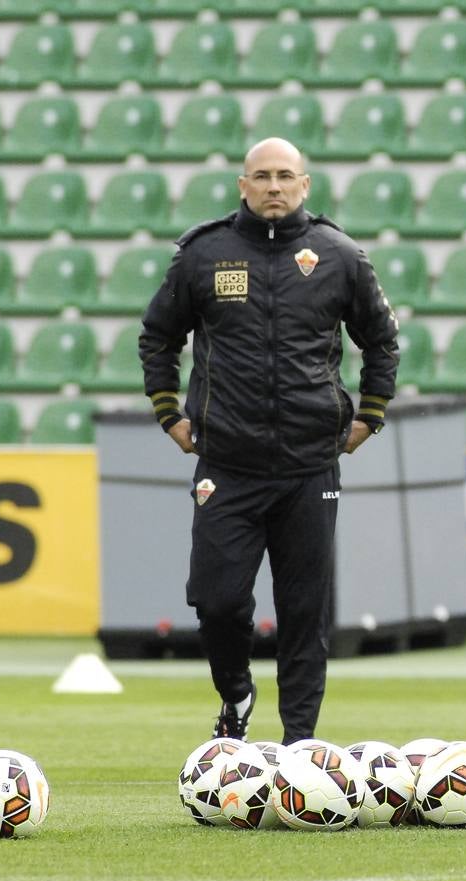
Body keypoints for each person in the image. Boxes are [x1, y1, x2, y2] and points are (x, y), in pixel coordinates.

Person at [139, 137, 400, 745]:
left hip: (310, 465)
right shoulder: (204, 255)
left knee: (305, 613)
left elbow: (382, 340)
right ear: (242, 185)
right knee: (218, 599)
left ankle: (300, 745)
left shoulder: (339, 255)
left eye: (286, 176)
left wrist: (371, 415)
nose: (274, 186)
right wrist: (168, 414)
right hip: (226, 463)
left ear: (305, 184)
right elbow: (158, 336)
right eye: (262, 176)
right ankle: (236, 690)